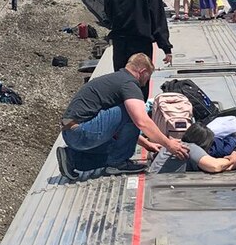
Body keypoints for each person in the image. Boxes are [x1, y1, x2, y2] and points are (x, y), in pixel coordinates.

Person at [56, 54, 188, 181]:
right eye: (149, 75)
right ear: (142, 71)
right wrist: (169, 144)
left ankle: (72, 158)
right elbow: (141, 121)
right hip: (82, 132)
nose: (148, 80)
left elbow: (120, 123)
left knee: (114, 150)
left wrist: (147, 144)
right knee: (132, 112)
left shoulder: (116, 79)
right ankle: (118, 163)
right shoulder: (129, 84)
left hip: (71, 132)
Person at [103, 0, 173, 98]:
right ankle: (139, 114)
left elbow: (108, 15)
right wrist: (165, 46)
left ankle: (124, 114)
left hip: (120, 42)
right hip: (142, 44)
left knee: (122, 82)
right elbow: (158, 19)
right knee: (141, 82)